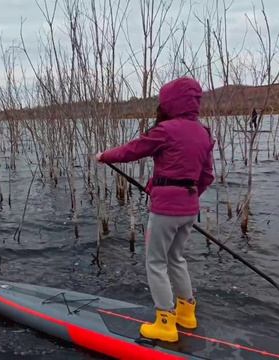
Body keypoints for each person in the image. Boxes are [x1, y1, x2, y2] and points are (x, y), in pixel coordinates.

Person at [95, 77, 214, 343]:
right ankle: (187, 313)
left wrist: (104, 156)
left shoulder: (166, 130)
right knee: (177, 258)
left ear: (169, 103)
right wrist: (186, 199)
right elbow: (206, 176)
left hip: (165, 211)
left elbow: (132, 150)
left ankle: (164, 322)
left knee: (156, 263)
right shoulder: (204, 132)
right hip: (188, 209)